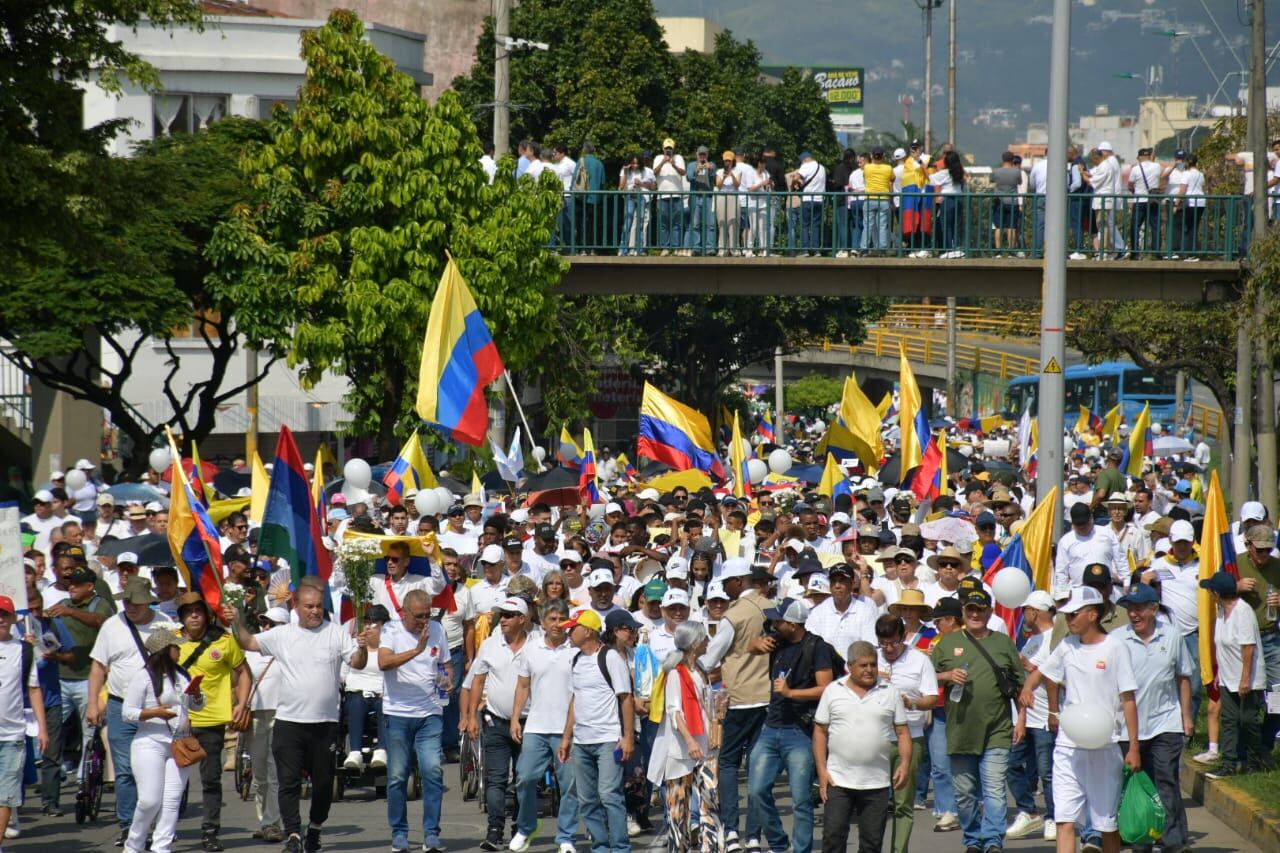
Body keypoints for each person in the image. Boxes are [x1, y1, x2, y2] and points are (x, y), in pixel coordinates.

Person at [224, 581, 375, 853]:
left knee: (323, 785)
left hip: (325, 723)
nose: (315, 611)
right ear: (296, 606)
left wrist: (362, 647)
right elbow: (248, 641)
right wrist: (236, 620)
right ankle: (293, 834)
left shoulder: (336, 633)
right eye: (309, 606)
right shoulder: (283, 635)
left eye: (318, 606)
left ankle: (314, 829)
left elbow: (358, 662)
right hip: (289, 723)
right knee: (288, 782)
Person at [1021, 586, 1141, 853]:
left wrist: (1133, 747)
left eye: (1074, 614)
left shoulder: (1116, 648)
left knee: (1107, 824)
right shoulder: (1066, 645)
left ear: (1092, 614)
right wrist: (1028, 686)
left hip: (1105, 746)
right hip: (1068, 746)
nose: (1069, 620)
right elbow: (1044, 672)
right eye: (1067, 615)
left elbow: (1128, 699)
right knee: (1065, 820)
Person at [932, 589, 1024, 853]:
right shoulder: (946, 644)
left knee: (995, 789)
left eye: (980, 609)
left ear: (989, 612)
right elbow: (925, 677)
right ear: (963, 612)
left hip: (997, 728)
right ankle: (973, 838)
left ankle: (993, 840)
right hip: (960, 731)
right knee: (964, 794)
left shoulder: (1003, 643)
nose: (975, 614)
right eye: (970, 609)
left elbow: (1018, 686)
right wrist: (946, 675)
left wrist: (1021, 720)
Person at [746, 598, 833, 853]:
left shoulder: (817, 647)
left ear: (793, 624)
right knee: (756, 790)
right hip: (771, 727)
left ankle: (801, 849)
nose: (774, 623)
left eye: (779, 620)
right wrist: (756, 643)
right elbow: (750, 646)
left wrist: (791, 693)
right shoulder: (778, 639)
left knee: (801, 799)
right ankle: (778, 843)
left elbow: (826, 688)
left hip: (800, 731)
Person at [1115, 583, 1194, 853]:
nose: (1133, 614)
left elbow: (1183, 677)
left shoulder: (1172, 636)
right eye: (1129, 608)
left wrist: (1186, 716)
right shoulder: (1117, 639)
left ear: (1154, 609)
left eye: (1139, 608)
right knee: (1139, 783)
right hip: (1129, 729)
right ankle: (1142, 839)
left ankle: (1175, 842)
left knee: (1166, 780)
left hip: (1166, 722)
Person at [813, 639, 911, 853]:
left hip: (877, 782)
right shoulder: (833, 690)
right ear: (850, 666)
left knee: (872, 844)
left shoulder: (890, 691)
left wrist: (904, 764)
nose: (869, 670)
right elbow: (819, 732)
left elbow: (902, 732)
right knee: (833, 838)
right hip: (838, 780)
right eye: (863, 665)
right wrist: (821, 771)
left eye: (873, 665)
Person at [87, 575, 162, 846]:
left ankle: (155, 824)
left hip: (155, 707)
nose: (131, 606)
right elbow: (98, 667)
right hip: (120, 705)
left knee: (155, 769)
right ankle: (129, 825)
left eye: (137, 603)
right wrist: (93, 702)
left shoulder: (164, 624)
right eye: (127, 601)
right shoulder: (112, 626)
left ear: (149, 602)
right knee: (125, 769)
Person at [120, 626, 206, 853]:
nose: (179, 650)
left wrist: (197, 695)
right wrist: (155, 712)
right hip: (150, 742)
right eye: (175, 646)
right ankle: (133, 845)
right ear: (165, 650)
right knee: (149, 800)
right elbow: (127, 712)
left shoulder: (181, 674)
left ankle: (162, 846)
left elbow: (196, 705)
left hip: (180, 743)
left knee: (172, 800)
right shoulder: (143, 676)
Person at [377, 589, 449, 853]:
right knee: (397, 776)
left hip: (430, 712)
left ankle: (431, 833)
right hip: (397, 712)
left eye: (427, 615)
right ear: (403, 613)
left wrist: (446, 679)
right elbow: (384, 662)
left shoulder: (437, 629)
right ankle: (399, 833)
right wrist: (417, 650)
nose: (424, 621)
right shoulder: (390, 632)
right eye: (419, 616)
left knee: (432, 771)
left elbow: (445, 664)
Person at [178, 592, 251, 852]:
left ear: (207, 615)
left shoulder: (224, 641)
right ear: (182, 618)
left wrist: (241, 704)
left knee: (210, 779)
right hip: (179, 723)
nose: (194, 616)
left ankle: (210, 831)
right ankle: (164, 830)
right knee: (174, 782)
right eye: (188, 612)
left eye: (198, 610)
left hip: (211, 722)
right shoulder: (171, 642)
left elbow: (244, 673)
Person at [557, 608, 635, 853]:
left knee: (609, 795)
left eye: (573, 628)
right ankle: (601, 847)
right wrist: (567, 737)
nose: (569, 633)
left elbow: (626, 698)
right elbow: (574, 701)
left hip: (608, 739)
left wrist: (628, 738)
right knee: (587, 800)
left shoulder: (610, 657)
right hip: (581, 741)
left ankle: (620, 847)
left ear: (588, 631)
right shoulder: (577, 659)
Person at [510, 598, 580, 853]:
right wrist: (516, 718)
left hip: (567, 730)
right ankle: (527, 827)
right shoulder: (531, 649)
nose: (557, 624)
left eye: (562, 619)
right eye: (552, 619)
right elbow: (523, 686)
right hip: (536, 727)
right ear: (542, 622)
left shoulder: (576, 649)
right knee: (525, 777)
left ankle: (566, 836)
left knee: (569, 784)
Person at [465, 595, 531, 851]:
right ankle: (494, 830)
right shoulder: (490, 645)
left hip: (528, 723)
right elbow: (477, 681)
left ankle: (520, 827)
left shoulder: (535, 646)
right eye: (501, 615)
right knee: (496, 779)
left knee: (526, 778)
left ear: (522, 619)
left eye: (508, 615)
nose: (502, 619)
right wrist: (471, 716)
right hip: (495, 721)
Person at [712, 558, 769, 851]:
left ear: (738, 581)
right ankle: (754, 836)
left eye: (726, 583)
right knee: (759, 767)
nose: (724, 589)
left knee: (729, 763)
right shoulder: (773, 606)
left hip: (740, 698)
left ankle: (732, 830)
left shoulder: (732, 616)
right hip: (769, 697)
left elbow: (711, 658)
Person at [646, 620, 714, 853]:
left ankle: (712, 847)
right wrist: (690, 741)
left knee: (710, 803)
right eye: (704, 638)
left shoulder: (700, 670)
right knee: (678, 812)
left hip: (705, 748)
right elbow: (674, 712)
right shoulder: (676, 673)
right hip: (680, 752)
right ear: (694, 643)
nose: (708, 642)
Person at [874, 614, 938, 853]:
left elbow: (932, 698)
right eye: (883, 643)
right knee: (874, 804)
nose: (889, 649)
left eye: (894, 643)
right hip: (876, 737)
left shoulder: (919, 660)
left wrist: (911, 703)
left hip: (910, 737)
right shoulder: (871, 660)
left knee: (902, 804)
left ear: (903, 637)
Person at [1202, 571, 1270, 778]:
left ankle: (1254, 760)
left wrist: (1244, 679)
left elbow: (1248, 647)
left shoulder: (1243, 611)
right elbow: (1223, 647)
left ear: (1217, 593)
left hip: (1247, 678)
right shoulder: (1221, 612)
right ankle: (1229, 763)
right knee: (1229, 720)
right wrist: (1218, 675)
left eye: (1210, 590)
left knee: (1248, 720)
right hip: (1227, 678)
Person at [1007, 591, 1058, 843]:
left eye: (1026, 610)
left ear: (1034, 612)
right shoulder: (1031, 641)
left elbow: (1056, 676)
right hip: (1026, 717)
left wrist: (1029, 666)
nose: (1023, 615)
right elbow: (1022, 681)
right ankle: (1029, 810)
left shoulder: (1056, 638)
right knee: (1012, 764)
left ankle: (1053, 817)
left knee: (1048, 771)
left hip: (1047, 717)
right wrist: (1021, 716)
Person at [0, 595, 48, 848]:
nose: (0, 620)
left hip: (12, 733)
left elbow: (34, 689)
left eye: (4, 615)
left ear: (11, 619)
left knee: (6, 795)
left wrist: (42, 728)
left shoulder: (23, 650)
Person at [245, 607, 287, 844]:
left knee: (273, 771)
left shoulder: (292, 649)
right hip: (256, 714)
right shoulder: (252, 649)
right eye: (264, 624)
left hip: (282, 713)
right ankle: (264, 820)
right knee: (259, 770)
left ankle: (273, 822)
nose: (266, 628)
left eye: (272, 624)